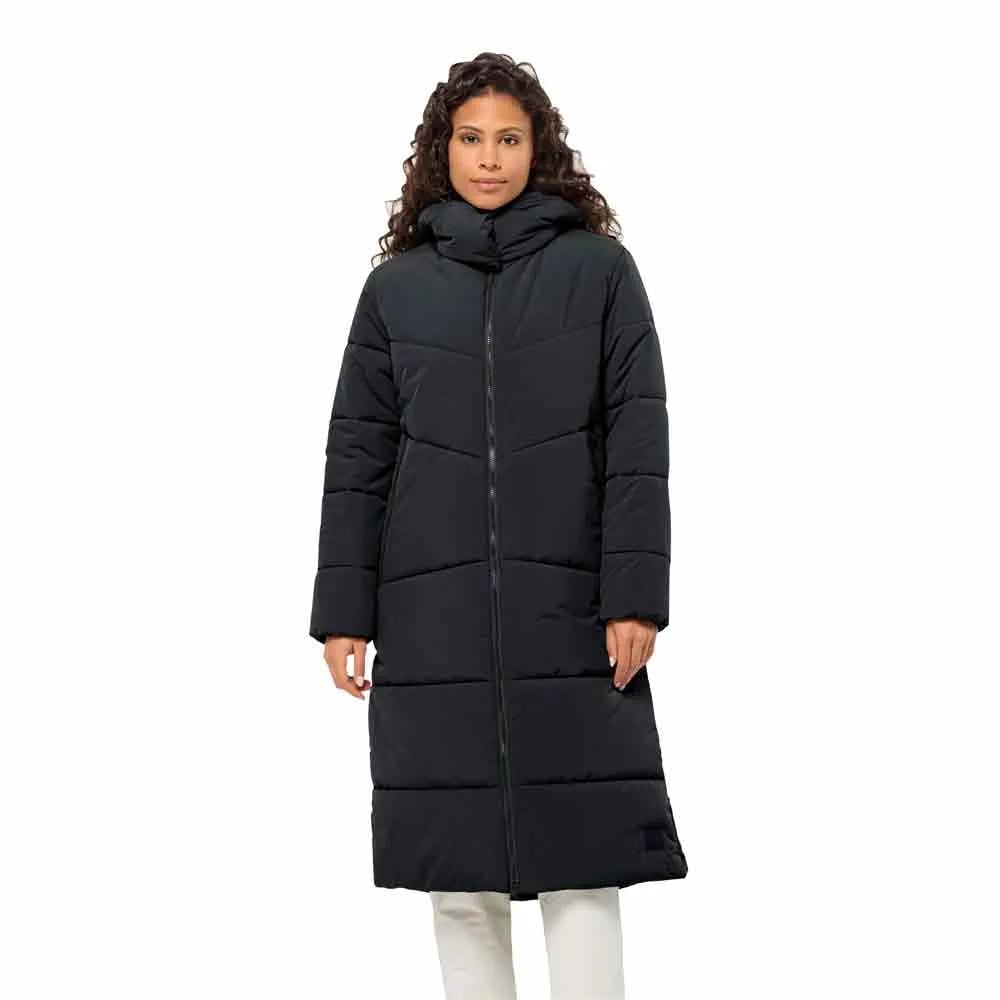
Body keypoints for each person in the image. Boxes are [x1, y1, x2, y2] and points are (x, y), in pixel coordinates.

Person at [308, 51, 687, 1000]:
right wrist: (344, 613)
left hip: (569, 611)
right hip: (431, 623)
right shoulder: (396, 290)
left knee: (585, 854)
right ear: (441, 150)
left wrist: (634, 595)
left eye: (509, 139)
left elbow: (637, 440)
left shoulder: (599, 273)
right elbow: (357, 458)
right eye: (471, 138)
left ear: (538, 148)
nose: (489, 158)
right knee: (458, 871)